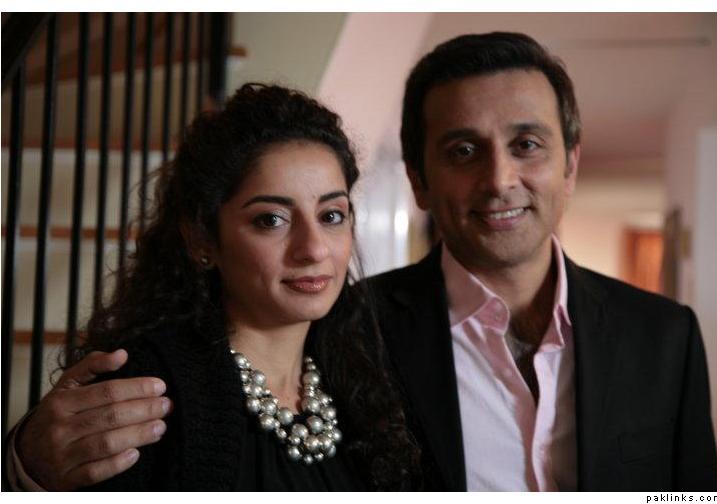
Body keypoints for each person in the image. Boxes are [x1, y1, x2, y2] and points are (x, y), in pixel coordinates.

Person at [7, 32, 717, 492]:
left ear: (571, 165)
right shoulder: (357, 326)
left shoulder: (665, 336)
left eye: (527, 145)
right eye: (463, 150)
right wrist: (26, 467)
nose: (500, 179)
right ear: (418, 181)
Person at [6, 83, 421, 490]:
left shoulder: (364, 371)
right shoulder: (148, 391)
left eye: (331, 215)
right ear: (202, 240)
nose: (313, 249)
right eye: (271, 220)